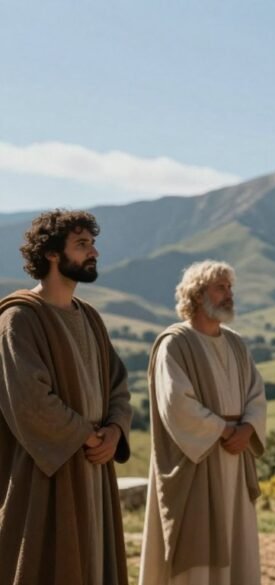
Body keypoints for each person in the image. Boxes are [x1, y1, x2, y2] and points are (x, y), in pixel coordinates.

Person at [0, 209, 132, 585]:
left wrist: (115, 431)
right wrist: (87, 436)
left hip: (94, 464)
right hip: (46, 472)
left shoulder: (89, 317)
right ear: (52, 253)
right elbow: (29, 399)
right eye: (82, 244)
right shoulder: (20, 319)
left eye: (93, 243)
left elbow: (118, 385)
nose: (94, 252)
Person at [139, 260, 267, 585]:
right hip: (197, 459)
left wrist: (248, 429)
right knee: (196, 544)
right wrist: (225, 430)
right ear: (197, 294)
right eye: (220, 287)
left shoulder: (236, 343)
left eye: (230, 287)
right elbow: (176, 403)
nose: (229, 294)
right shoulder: (175, 343)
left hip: (235, 457)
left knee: (236, 542)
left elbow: (256, 393)